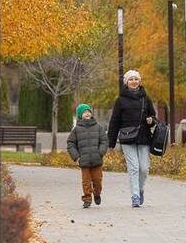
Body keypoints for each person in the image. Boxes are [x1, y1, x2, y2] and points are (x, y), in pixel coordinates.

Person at [108, 70, 156, 208]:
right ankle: (135, 195)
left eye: (136, 79)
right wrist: (111, 142)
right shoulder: (120, 100)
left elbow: (153, 116)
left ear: (139, 81)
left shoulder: (146, 98)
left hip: (144, 137)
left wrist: (151, 120)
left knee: (144, 168)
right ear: (126, 82)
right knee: (134, 167)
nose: (134, 81)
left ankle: (140, 189)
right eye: (131, 79)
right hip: (127, 138)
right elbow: (114, 121)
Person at [66, 103, 108, 208]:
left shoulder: (98, 127)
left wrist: (100, 153)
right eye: (84, 112)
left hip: (97, 160)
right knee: (86, 182)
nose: (87, 113)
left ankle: (97, 193)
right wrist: (76, 157)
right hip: (84, 161)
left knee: (97, 181)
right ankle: (87, 199)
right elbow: (70, 143)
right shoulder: (76, 130)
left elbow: (104, 141)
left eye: (88, 111)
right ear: (80, 115)